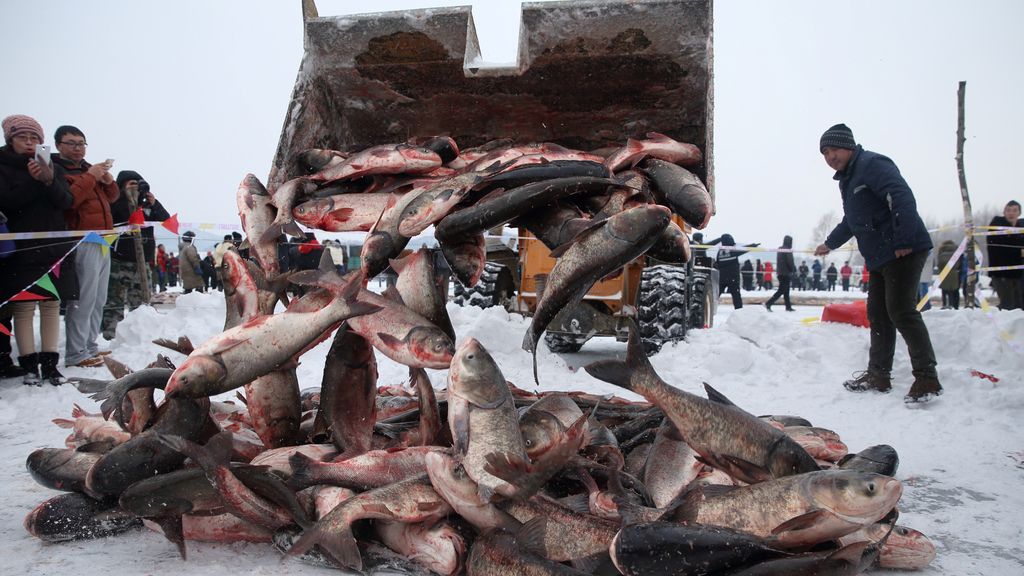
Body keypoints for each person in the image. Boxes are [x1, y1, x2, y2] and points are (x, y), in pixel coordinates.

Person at [815, 123, 941, 403]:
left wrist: (904, 239)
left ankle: (927, 378)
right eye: (825, 153)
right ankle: (878, 375)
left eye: (834, 149)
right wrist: (830, 243)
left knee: (901, 311)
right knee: (878, 314)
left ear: (848, 146)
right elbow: (852, 221)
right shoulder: (848, 179)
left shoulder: (872, 164)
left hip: (902, 250)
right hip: (880, 256)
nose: (830, 156)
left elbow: (901, 197)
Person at [0, 114, 75, 385]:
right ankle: (29, 366)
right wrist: (33, 182)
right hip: (20, 247)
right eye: (23, 137)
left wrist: (48, 180)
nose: (29, 142)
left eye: (34, 138)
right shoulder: (3, 166)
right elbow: (7, 202)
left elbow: (66, 201)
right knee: (24, 306)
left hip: (53, 246)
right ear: (10, 139)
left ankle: (51, 365)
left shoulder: (53, 166)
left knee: (51, 304)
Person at [52, 125, 118, 368]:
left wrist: (108, 181)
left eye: (81, 143)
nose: (78, 148)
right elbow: (69, 201)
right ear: (58, 145)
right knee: (84, 298)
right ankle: (76, 352)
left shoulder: (87, 169)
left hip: (102, 238)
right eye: (71, 143)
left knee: (99, 297)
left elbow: (112, 198)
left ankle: (90, 344)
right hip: (81, 238)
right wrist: (91, 176)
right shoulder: (57, 170)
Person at [102, 170, 170, 340]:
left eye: (137, 184)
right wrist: (126, 198)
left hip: (142, 262)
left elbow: (166, 220)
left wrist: (154, 203)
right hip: (119, 261)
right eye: (130, 184)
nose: (135, 187)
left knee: (141, 302)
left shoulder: (147, 205)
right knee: (114, 301)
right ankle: (111, 335)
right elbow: (113, 218)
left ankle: (140, 335)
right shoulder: (116, 202)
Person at [986, 200, 1023, 310]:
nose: (1011, 213)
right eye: (1008, 210)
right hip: (1001, 273)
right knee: (1008, 305)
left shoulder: (1020, 227)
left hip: (1018, 273)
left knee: (1019, 306)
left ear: (1019, 213)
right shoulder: (997, 225)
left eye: (1014, 210)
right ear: (1004, 212)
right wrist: (1019, 250)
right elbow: (1000, 245)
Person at [715, 234, 758, 309]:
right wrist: (752, 246)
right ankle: (739, 311)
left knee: (716, 295)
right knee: (736, 296)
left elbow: (717, 263)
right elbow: (743, 250)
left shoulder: (720, 251)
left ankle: (708, 309)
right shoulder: (732, 250)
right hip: (733, 278)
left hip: (722, 277)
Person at [765, 235, 796, 311]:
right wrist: (793, 269)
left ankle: (788, 306)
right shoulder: (787, 250)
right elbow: (790, 261)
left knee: (786, 291)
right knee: (782, 290)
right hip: (785, 273)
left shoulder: (780, 249)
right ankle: (768, 303)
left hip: (780, 272)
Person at [936, 240, 961, 309]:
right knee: (953, 291)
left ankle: (945, 304)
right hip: (954, 274)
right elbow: (959, 264)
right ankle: (952, 305)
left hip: (944, 274)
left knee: (944, 291)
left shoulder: (941, 252)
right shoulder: (956, 252)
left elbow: (939, 264)